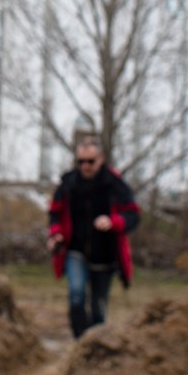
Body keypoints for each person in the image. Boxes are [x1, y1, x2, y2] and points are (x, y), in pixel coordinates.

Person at [46, 137, 140, 339]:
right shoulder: (68, 183)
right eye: (81, 162)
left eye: (90, 161)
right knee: (77, 296)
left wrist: (113, 221)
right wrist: (55, 234)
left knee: (98, 308)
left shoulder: (115, 184)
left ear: (101, 159)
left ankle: (94, 347)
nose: (85, 166)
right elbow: (54, 212)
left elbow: (133, 215)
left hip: (105, 256)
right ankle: (79, 343)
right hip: (75, 250)